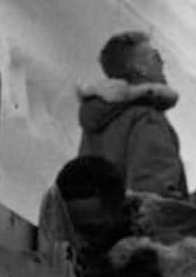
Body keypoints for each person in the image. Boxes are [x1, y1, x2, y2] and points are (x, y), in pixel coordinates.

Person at [39, 156, 196, 277]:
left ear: (116, 213)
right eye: (70, 228)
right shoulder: (76, 241)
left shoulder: (146, 267)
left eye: (89, 231)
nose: (78, 241)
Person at [77, 30, 189, 198]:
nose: (162, 63)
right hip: (134, 222)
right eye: (156, 57)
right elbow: (154, 199)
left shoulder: (100, 120)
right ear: (140, 68)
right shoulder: (146, 119)